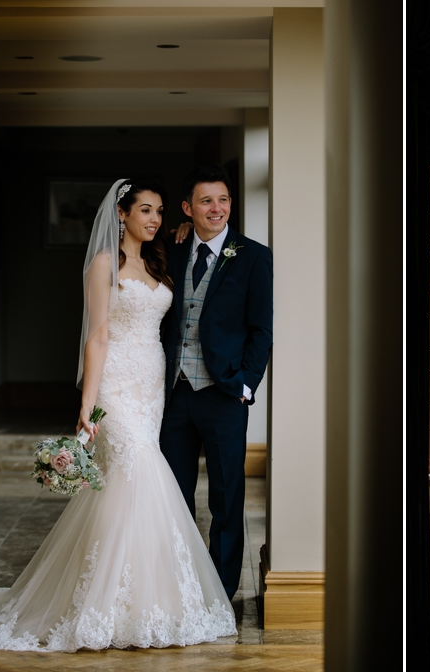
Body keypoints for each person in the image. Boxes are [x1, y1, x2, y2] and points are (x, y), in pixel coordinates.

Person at [0, 179, 237, 651]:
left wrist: (188, 222)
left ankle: (143, 596)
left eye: (160, 211)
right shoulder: (105, 264)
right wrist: (88, 404)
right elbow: (98, 336)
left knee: (124, 487)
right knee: (141, 472)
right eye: (145, 210)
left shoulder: (159, 257)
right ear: (121, 214)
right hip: (116, 384)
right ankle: (113, 602)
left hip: (153, 383)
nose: (154, 219)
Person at [159, 164, 273, 602]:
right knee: (173, 497)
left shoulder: (254, 255)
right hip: (173, 395)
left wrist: (245, 384)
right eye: (206, 201)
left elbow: (261, 329)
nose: (217, 208)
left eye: (223, 199)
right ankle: (181, 586)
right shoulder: (169, 248)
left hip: (225, 395)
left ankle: (222, 594)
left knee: (227, 499)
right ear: (188, 208)